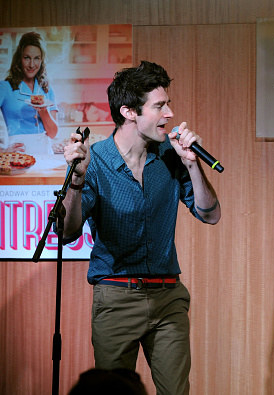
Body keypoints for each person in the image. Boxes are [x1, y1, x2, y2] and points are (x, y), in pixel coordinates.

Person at [61, 60, 221, 394]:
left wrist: (192, 166)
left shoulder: (170, 155)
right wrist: (76, 181)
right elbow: (67, 232)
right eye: (160, 106)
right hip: (116, 296)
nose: (170, 114)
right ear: (129, 111)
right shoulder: (97, 159)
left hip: (167, 297)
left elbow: (210, 214)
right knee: (112, 392)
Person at [0, 31, 59, 154]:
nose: (32, 64)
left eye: (36, 58)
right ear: (19, 59)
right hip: (19, 152)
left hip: (45, 152)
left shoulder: (47, 89)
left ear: (41, 60)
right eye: (27, 58)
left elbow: (52, 133)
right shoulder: (5, 87)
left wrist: (43, 111)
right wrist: (2, 150)